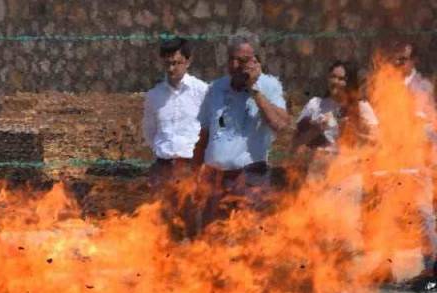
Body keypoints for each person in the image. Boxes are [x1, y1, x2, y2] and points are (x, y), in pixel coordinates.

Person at [193, 32, 291, 236]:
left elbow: (281, 124)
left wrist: (254, 90)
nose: (236, 64)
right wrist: (194, 175)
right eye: (232, 59)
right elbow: (204, 135)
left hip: (250, 179)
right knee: (212, 239)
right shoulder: (215, 88)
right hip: (215, 180)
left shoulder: (269, 85)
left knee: (247, 241)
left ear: (256, 60)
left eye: (243, 60)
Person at [386, 40, 437, 291]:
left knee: (424, 216)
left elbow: (432, 125)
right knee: (390, 216)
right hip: (392, 162)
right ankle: (388, 269)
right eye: (395, 59)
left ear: (413, 61)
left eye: (402, 59)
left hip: (417, 162)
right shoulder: (387, 86)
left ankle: (432, 267)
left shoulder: (423, 87)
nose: (398, 64)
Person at [142, 37, 208, 198]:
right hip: (162, 169)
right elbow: (150, 132)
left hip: (191, 168)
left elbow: (214, 128)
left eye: (176, 63)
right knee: (157, 219)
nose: (171, 69)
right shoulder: (154, 96)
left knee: (190, 218)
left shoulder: (203, 91)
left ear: (188, 61)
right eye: (167, 64)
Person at [292, 61, 378, 170]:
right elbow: (295, 143)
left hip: (348, 172)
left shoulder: (361, 107)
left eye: (341, 79)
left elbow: (377, 142)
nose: (335, 82)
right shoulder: (315, 104)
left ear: (350, 83)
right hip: (316, 172)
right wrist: (315, 130)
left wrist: (354, 132)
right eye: (333, 77)